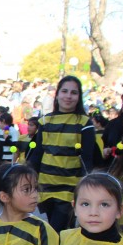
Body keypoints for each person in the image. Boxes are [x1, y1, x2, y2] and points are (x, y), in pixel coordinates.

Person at [27, 76, 95, 232]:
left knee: (57, 230)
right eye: (64, 91)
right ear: (57, 95)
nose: (68, 96)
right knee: (56, 229)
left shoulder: (84, 122)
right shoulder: (45, 121)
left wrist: (88, 186)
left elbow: (87, 158)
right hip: (46, 185)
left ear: (79, 97)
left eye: (74, 92)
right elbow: (37, 154)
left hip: (70, 188)